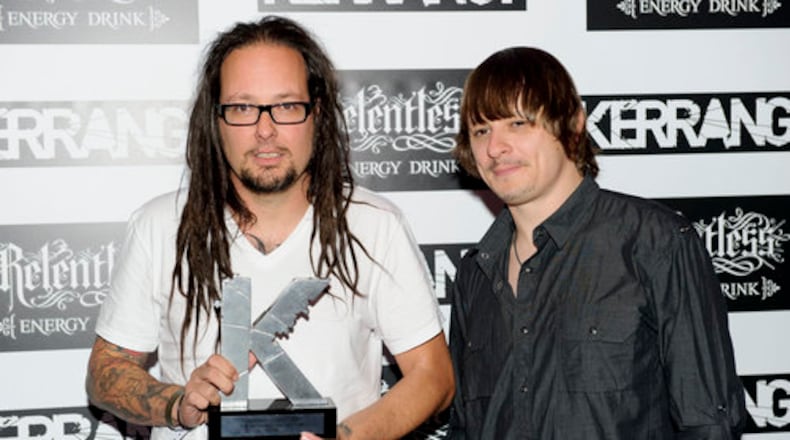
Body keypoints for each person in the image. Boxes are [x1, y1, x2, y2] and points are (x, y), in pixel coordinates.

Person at [85, 15, 454, 440]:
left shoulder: (374, 224)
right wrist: (177, 403)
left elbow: (434, 376)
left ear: (317, 114)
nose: (265, 130)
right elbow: (105, 372)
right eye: (242, 108)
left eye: (287, 106)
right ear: (215, 119)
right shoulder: (159, 225)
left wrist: (346, 439)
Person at [447, 46, 746, 439]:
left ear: (573, 124)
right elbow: (465, 428)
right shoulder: (476, 273)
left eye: (517, 124)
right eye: (481, 130)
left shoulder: (653, 243)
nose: (495, 147)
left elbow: (708, 423)